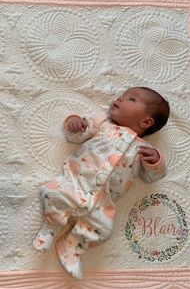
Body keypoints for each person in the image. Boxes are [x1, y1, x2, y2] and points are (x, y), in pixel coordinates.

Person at [33, 86, 170, 279]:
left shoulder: (144, 149)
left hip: (103, 201)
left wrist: (156, 161)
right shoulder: (102, 123)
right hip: (76, 182)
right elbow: (76, 135)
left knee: (104, 231)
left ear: (146, 121)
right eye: (121, 96)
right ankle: (50, 226)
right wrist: (74, 123)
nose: (120, 99)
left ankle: (71, 244)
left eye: (131, 99)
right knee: (49, 192)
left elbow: (151, 177)